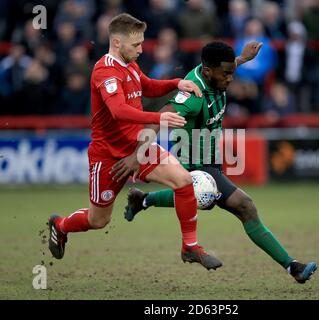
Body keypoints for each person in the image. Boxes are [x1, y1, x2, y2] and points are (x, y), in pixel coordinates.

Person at [111, 41, 317, 284]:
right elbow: (161, 117)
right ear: (208, 71)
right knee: (244, 206)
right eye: (227, 74)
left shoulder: (216, 72)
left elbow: (228, 67)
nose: (231, 79)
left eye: (232, 72)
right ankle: (293, 266)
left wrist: (242, 58)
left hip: (210, 158)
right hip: (195, 163)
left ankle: (144, 199)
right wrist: (138, 155)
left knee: (205, 200)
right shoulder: (193, 96)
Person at [47, 13, 223, 271]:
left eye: (142, 43)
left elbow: (148, 86)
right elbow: (118, 111)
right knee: (98, 220)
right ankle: (61, 225)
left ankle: (190, 247)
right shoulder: (105, 71)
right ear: (117, 43)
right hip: (108, 156)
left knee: (184, 182)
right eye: (136, 45)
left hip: (139, 146)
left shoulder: (130, 64)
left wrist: (177, 83)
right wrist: (159, 117)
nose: (141, 49)